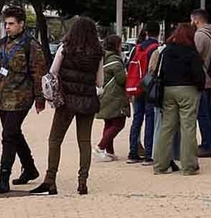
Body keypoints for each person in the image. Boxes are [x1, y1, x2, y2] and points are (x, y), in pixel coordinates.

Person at [0, 6, 47, 194]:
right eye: (6, 24)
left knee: (8, 136)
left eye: (11, 24)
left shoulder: (31, 45)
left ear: (21, 24)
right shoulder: (1, 45)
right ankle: (30, 169)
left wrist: (40, 98)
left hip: (22, 98)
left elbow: (38, 74)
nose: (7, 27)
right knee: (13, 134)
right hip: (3, 98)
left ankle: (3, 179)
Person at [36, 15, 101, 196]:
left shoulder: (65, 48)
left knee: (55, 140)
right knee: (84, 141)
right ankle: (82, 181)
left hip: (66, 101)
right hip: (88, 101)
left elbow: (53, 72)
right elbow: (100, 81)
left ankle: (50, 180)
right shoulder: (98, 53)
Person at [153, 22, 205, 176]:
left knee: (167, 127)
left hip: (168, 90)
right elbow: (198, 75)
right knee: (188, 127)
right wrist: (200, 87)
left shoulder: (166, 51)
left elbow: (159, 72)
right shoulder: (191, 53)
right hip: (188, 89)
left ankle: (160, 165)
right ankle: (189, 166)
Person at [191, 9, 211, 157]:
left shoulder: (199, 35)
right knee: (210, 112)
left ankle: (207, 144)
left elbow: (195, 56)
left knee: (203, 114)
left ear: (196, 20)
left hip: (203, 78)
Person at [125, 25, 160, 163]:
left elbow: (129, 65)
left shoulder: (137, 47)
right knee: (150, 118)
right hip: (150, 86)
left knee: (137, 119)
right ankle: (149, 153)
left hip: (138, 86)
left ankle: (133, 151)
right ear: (158, 33)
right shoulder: (157, 48)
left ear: (146, 32)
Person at [94, 33, 128, 163]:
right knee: (119, 123)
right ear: (116, 45)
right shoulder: (115, 60)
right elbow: (121, 79)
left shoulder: (103, 58)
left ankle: (109, 152)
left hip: (104, 95)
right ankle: (100, 147)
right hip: (114, 96)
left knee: (108, 123)